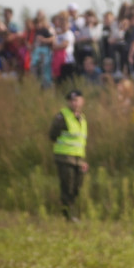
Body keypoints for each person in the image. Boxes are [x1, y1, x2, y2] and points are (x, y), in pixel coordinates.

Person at [49, 90, 89, 221]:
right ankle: (68, 216)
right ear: (68, 102)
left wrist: (83, 161)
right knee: (68, 186)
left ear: (82, 101)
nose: (74, 103)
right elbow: (52, 135)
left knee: (77, 187)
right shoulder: (62, 117)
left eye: (77, 100)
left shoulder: (82, 119)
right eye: (72, 101)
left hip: (78, 159)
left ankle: (70, 212)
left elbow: (81, 142)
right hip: (64, 157)